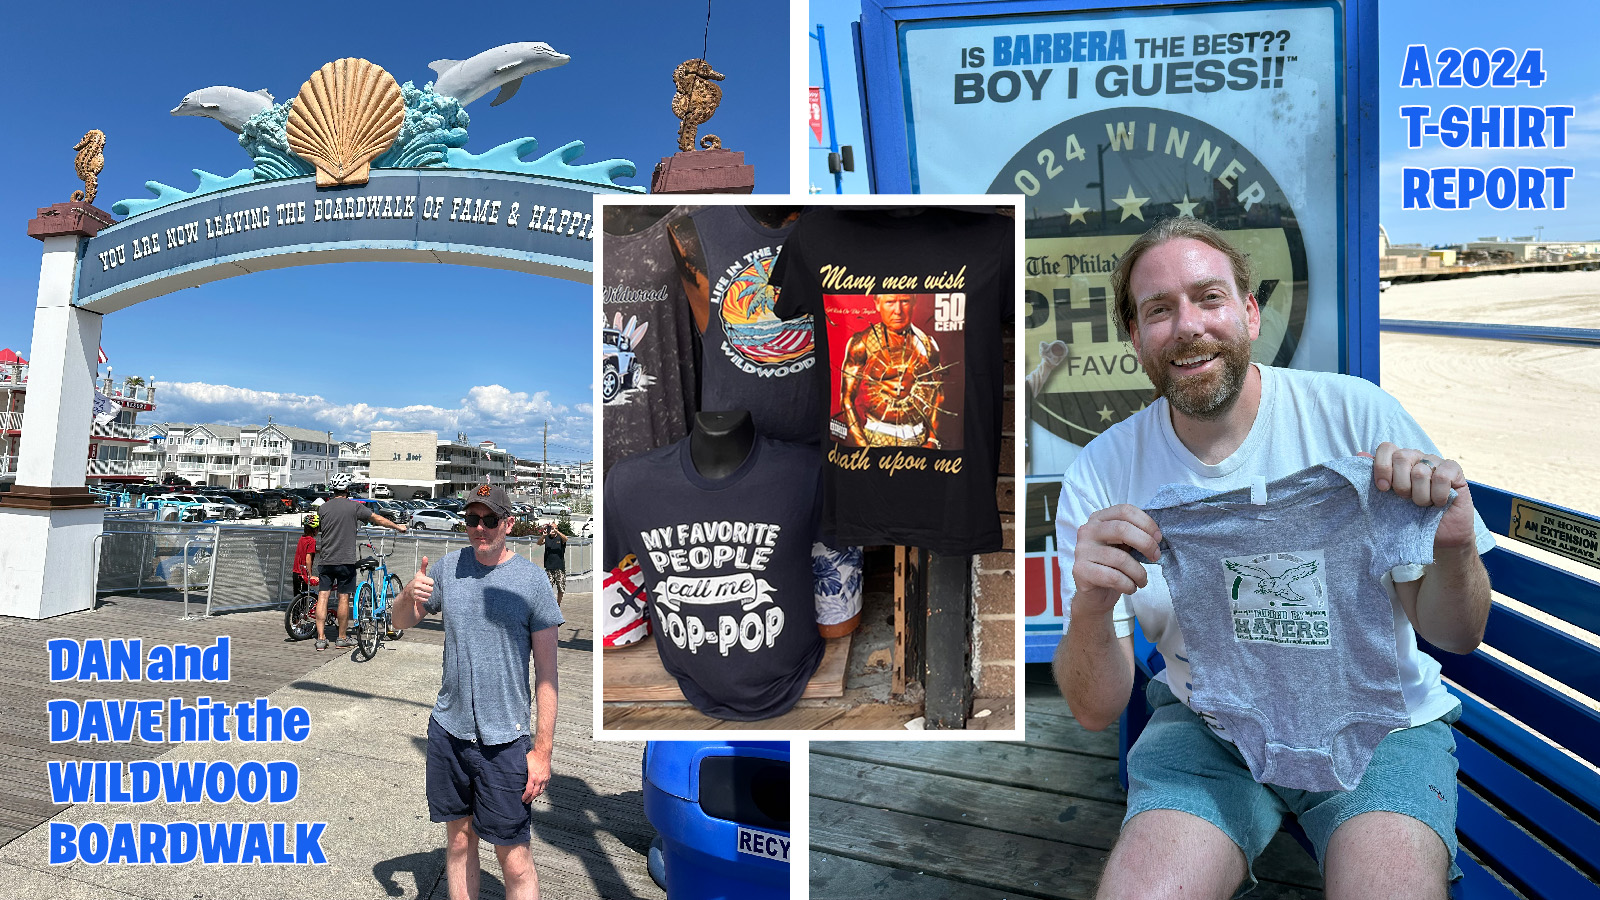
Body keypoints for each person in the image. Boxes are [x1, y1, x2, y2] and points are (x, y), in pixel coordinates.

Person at [1053, 217, 1494, 900]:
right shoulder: (1102, 474)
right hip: (1211, 728)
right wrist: (1092, 603)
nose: (1189, 325)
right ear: (1136, 338)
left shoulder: (1355, 419)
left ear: (1250, 312)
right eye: (1159, 310)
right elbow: (1092, 710)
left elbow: (1458, 636)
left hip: (1379, 725)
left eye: (1209, 298)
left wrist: (1455, 544)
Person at [392, 483, 562, 900]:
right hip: (450, 731)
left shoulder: (531, 580)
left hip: (505, 740)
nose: (480, 528)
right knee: (459, 842)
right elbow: (401, 622)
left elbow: (547, 676)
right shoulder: (448, 569)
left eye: (489, 520)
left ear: (507, 523)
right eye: (472, 520)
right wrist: (407, 595)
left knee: (514, 857)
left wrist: (541, 753)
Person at [838, 293, 945, 448]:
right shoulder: (862, 344)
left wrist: (932, 440)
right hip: (877, 438)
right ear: (877, 303)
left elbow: (938, 393)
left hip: (920, 438)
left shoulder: (927, 344)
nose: (898, 310)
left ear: (914, 301)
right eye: (890, 302)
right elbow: (847, 398)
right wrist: (862, 445)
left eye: (904, 301)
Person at [314, 472, 407, 651]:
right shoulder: (354, 507)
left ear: (333, 490)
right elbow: (376, 519)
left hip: (326, 559)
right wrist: (397, 526)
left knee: (323, 597)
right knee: (343, 598)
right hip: (345, 560)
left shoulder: (323, 508)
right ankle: (341, 638)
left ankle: (320, 639)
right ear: (347, 489)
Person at [537, 522, 567, 605]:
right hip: (549, 567)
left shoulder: (560, 538)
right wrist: (543, 535)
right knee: (548, 587)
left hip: (559, 567)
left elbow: (566, 539)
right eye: (551, 528)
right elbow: (539, 543)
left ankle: (558, 604)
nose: (552, 530)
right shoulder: (547, 538)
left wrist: (557, 532)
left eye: (554, 528)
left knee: (561, 588)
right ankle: (549, 604)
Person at [292, 513, 319, 596]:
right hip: (303, 574)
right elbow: (308, 559)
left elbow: (303, 551)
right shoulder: (312, 541)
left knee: (298, 598)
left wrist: (318, 551)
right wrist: (310, 576)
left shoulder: (302, 538)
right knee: (305, 599)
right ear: (314, 530)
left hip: (296, 572)